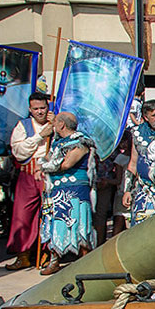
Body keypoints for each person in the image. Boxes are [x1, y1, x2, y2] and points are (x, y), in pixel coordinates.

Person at [39, 112, 96, 275]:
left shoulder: (81, 141)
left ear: (62, 125)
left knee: (79, 224)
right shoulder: (57, 142)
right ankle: (54, 260)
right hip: (55, 189)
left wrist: (43, 166)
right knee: (54, 223)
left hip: (75, 189)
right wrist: (43, 164)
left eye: (55, 122)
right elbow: (47, 157)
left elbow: (66, 164)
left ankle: (86, 260)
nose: (53, 124)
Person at [5, 92, 52, 271]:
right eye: (36, 109)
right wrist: (40, 136)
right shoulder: (22, 125)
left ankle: (47, 252)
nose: (40, 112)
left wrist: (52, 129)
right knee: (22, 215)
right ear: (30, 109)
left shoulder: (55, 123)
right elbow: (19, 151)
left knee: (48, 214)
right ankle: (23, 255)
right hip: (28, 174)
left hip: (48, 174)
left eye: (42, 108)